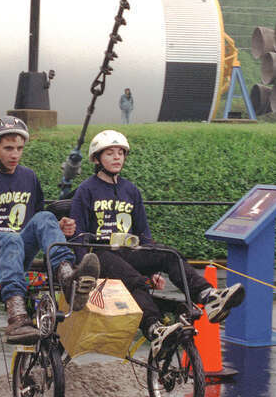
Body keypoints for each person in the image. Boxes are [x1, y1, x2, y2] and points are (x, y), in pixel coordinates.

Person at [69, 129, 244, 357]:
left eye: (120, 153)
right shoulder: (86, 190)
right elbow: (78, 235)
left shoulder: (131, 190)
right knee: (134, 280)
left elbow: (143, 234)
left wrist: (152, 269)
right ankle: (154, 328)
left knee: (169, 254)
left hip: (128, 251)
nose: (117, 157)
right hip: (100, 254)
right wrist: (85, 268)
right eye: (110, 153)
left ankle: (207, 296)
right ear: (97, 159)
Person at [0, 116, 100, 344]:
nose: (15, 155)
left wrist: (57, 227)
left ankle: (67, 277)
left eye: (19, 148)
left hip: (17, 249)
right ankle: (17, 318)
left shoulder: (29, 177)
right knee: (11, 239)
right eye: (8, 148)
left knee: (46, 217)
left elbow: (36, 220)